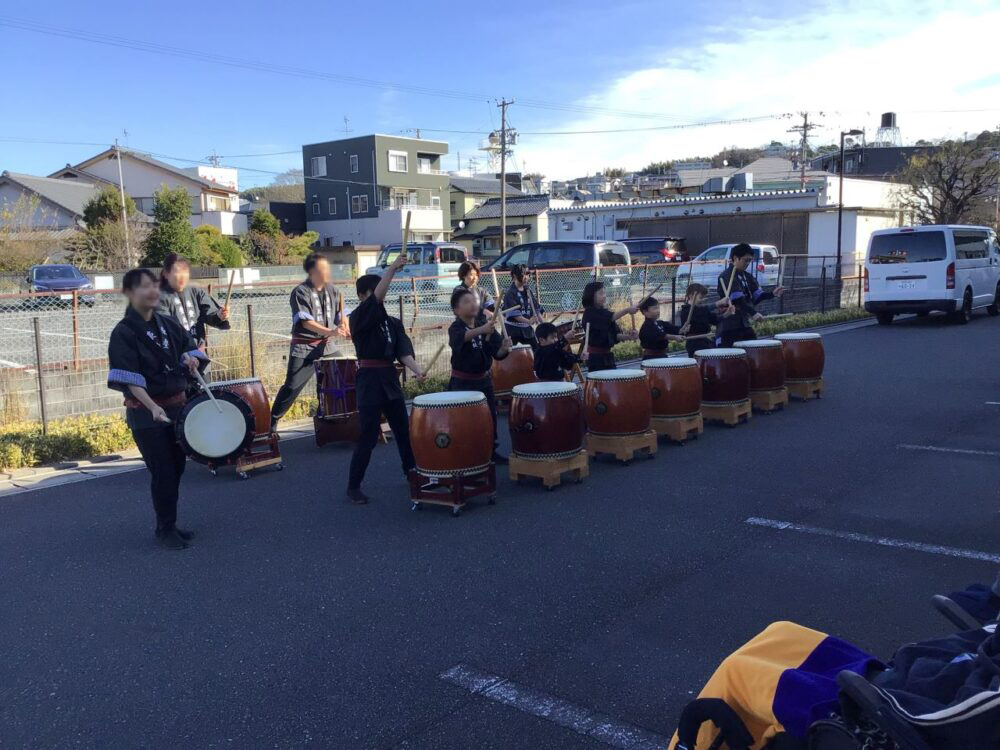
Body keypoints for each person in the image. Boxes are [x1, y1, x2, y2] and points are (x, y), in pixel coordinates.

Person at [107, 268, 205, 550]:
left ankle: (170, 523)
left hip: (176, 408)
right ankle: (164, 529)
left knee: (176, 468)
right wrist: (151, 407)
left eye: (153, 285)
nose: (151, 291)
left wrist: (191, 359)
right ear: (128, 293)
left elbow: (190, 347)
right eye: (143, 287)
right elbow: (129, 377)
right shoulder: (123, 333)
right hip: (146, 414)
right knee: (163, 471)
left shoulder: (167, 323)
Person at [345, 254, 425, 505]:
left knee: (403, 430)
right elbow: (377, 297)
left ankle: (411, 472)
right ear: (363, 296)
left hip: (389, 378)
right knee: (368, 435)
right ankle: (353, 485)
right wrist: (392, 267)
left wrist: (416, 369)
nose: (379, 296)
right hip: (369, 380)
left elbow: (402, 352)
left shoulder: (393, 323)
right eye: (372, 292)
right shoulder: (358, 317)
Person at [270, 253, 345, 431]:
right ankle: (272, 420)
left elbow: (341, 315)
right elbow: (305, 321)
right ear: (311, 271)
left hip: (326, 346)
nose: (327, 272)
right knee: (292, 386)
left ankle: (328, 415)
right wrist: (332, 331)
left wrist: (344, 325)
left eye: (327, 268)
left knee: (342, 375)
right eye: (322, 269)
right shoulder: (300, 291)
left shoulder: (333, 291)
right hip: (304, 347)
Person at [448, 287, 512, 463]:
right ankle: (467, 454)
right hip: (463, 383)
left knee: (489, 417)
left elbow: (496, 353)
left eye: (474, 301)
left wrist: (504, 347)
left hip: (483, 381)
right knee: (465, 420)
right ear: (456, 310)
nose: (472, 305)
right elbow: (461, 339)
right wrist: (482, 329)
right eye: (466, 302)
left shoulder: (484, 325)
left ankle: (490, 451)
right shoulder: (456, 327)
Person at [715, 243, 784, 347]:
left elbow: (756, 297)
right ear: (735, 258)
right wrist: (753, 313)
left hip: (743, 323)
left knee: (754, 350)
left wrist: (772, 294)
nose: (747, 263)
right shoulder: (727, 276)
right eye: (745, 260)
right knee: (733, 357)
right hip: (729, 325)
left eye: (749, 260)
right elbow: (738, 300)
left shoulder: (747, 276)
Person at [157, 252, 231, 346]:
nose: (182, 276)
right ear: (166, 274)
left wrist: (220, 315)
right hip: (175, 357)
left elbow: (210, 314)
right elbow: (164, 331)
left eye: (185, 271)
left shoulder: (196, 293)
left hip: (198, 353)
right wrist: (185, 355)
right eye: (177, 271)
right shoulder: (159, 298)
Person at [580, 281, 638, 372]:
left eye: (605, 293)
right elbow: (611, 317)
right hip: (595, 359)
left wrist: (629, 336)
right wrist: (627, 310)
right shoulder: (590, 313)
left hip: (607, 356)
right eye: (601, 293)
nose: (604, 296)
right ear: (591, 296)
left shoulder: (604, 313)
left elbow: (614, 335)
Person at [678, 283, 733, 357]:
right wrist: (718, 303)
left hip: (706, 342)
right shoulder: (686, 310)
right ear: (691, 296)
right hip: (694, 344)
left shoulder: (702, 309)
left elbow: (715, 320)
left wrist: (727, 313)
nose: (702, 300)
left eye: (704, 298)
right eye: (701, 298)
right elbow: (700, 311)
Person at [501, 264, 544, 349]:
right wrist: (529, 321)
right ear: (514, 276)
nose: (526, 277)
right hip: (512, 331)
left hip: (527, 331)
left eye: (528, 274)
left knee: (536, 352)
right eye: (523, 274)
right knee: (512, 356)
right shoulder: (510, 293)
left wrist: (544, 326)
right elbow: (516, 316)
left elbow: (536, 309)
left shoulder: (528, 290)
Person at [638, 296, 685, 360]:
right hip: (651, 359)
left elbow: (672, 328)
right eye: (654, 308)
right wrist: (675, 337)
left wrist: (682, 329)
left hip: (662, 356)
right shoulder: (647, 326)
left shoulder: (660, 323)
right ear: (645, 312)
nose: (658, 311)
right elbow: (660, 335)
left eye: (658, 308)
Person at [456, 260, 495, 324]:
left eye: (476, 275)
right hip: (465, 325)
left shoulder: (481, 291)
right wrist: (484, 311)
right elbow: (467, 307)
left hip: (482, 324)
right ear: (463, 275)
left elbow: (489, 304)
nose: (475, 278)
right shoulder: (459, 290)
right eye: (471, 274)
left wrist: (496, 305)